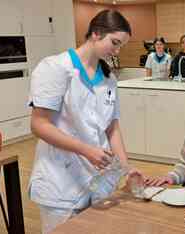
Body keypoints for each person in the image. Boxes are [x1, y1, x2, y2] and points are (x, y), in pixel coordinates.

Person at [28, 10, 138, 233]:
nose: (117, 51)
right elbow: (39, 124)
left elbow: (112, 127)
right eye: (114, 43)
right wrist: (86, 150)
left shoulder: (108, 79)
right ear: (96, 33)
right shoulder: (55, 68)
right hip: (61, 183)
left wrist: (127, 169)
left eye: (121, 46)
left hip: (98, 182)